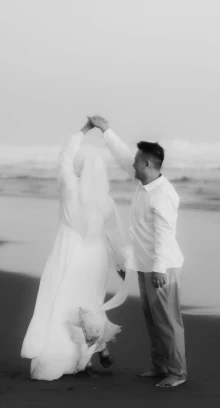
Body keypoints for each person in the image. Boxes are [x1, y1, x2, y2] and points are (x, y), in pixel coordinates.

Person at [21, 119, 128, 381]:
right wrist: (120, 265)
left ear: (79, 171)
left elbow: (63, 157)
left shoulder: (69, 188)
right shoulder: (106, 202)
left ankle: (63, 356)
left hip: (67, 251)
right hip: (95, 255)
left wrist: (84, 129)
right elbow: (113, 235)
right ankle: (87, 358)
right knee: (90, 304)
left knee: (60, 301)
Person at [88, 115, 187, 389]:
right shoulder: (143, 185)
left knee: (167, 322)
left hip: (161, 267)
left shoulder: (162, 194)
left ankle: (177, 372)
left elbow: (164, 235)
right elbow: (123, 157)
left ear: (147, 164)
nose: (131, 163)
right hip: (145, 265)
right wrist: (105, 131)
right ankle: (159, 366)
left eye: (136, 161)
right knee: (153, 321)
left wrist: (159, 268)